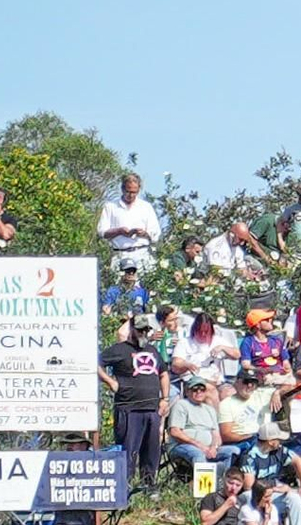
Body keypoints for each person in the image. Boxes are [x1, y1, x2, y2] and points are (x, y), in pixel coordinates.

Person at [99, 313, 166, 493]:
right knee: (128, 450)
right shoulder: (119, 349)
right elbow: (96, 363)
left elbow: (164, 372)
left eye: (146, 329)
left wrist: (165, 398)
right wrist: (110, 381)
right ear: (132, 330)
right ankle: (123, 488)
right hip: (129, 409)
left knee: (151, 450)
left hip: (152, 408)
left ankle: (148, 485)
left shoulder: (152, 350)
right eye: (140, 329)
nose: (144, 333)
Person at [98, 173, 163, 270]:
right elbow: (102, 232)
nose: (131, 195)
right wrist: (119, 231)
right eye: (128, 192)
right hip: (119, 254)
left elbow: (155, 234)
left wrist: (144, 233)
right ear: (123, 189)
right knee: (119, 284)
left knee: (145, 284)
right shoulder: (110, 206)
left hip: (142, 254)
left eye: (134, 192)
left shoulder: (146, 207)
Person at [168, 377, 231, 475]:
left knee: (232, 451)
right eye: (195, 389)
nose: (199, 392)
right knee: (198, 454)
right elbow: (175, 432)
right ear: (188, 391)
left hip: (208, 448)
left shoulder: (210, 410)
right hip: (182, 446)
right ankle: (204, 489)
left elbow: (216, 434)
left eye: (202, 389)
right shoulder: (181, 405)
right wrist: (200, 446)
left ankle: (220, 485)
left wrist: (213, 448)